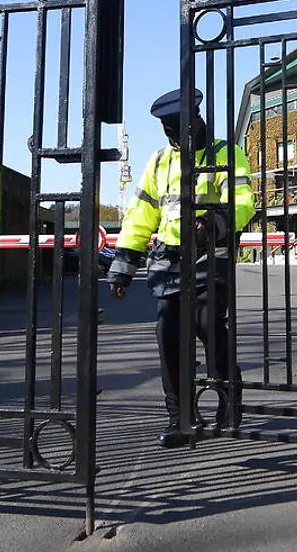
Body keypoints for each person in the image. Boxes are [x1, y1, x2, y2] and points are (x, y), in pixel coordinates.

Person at [107, 88, 255, 448]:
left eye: (183, 129)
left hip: (210, 256)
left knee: (207, 324)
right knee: (168, 335)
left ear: (198, 121)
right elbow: (141, 216)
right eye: (172, 131)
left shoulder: (226, 153)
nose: (178, 138)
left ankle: (227, 393)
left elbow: (245, 202)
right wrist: (122, 268)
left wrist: (214, 223)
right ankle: (181, 418)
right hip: (168, 261)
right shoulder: (158, 162)